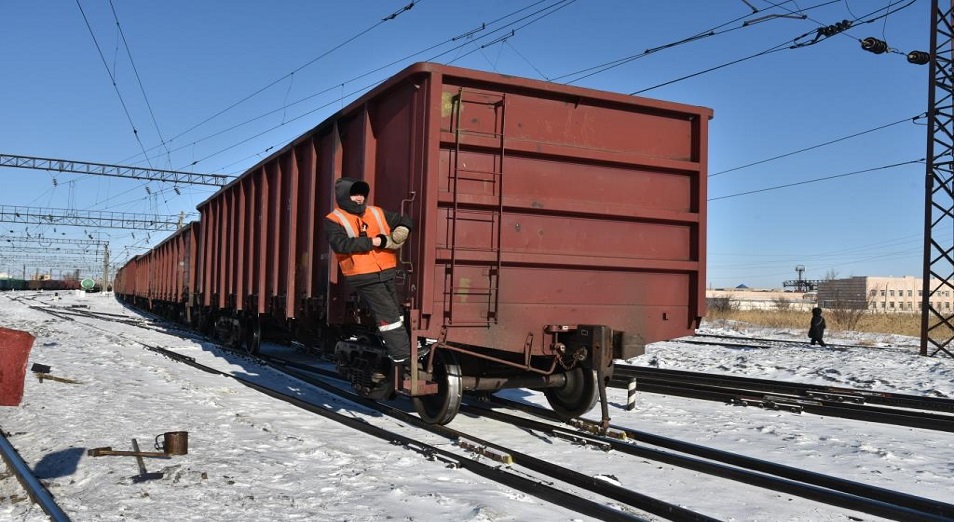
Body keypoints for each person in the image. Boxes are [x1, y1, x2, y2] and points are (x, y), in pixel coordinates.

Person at [324, 177, 414, 370]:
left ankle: (403, 348)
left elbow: (404, 219)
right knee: (388, 316)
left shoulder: (376, 212)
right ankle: (402, 358)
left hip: (387, 270)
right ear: (343, 196)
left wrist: (402, 230)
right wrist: (373, 241)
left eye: (362, 194)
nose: (359, 198)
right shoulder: (334, 219)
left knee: (398, 314)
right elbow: (340, 244)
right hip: (363, 275)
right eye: (354, 194)